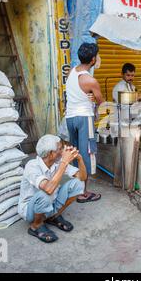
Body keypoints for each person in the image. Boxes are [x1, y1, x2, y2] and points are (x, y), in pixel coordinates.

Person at [18, 135, 87, 243]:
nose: (63, 151)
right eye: (60, 149)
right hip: (30, 210)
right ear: (51, 153)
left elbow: (82, 177)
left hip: (49, 202)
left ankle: (53, 216)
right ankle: (36, 225)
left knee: (78, 184)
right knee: (46, 193)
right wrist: (64, 162)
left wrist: (79, 159)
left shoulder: (57, 163)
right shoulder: (32, 166)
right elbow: (48, 189)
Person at [65, 42, 103, 203]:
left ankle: (76, 188)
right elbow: (101, 101)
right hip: (84, 118)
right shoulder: (90, 80)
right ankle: (83, 193)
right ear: (93, 59)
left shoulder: (71, 72)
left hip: (70, 118)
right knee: (86, 154)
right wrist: (94, 98)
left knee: (74, 153)